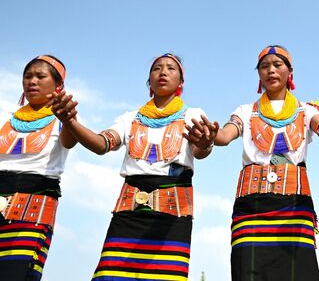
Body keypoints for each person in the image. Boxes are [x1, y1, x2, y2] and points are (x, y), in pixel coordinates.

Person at [50, 53, 216, 281]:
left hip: (173, 212)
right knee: (112, 274)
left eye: (170, 68)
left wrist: (206, 143)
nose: (163, 72)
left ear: (181, 83)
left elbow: (199, 151)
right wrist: (70, 122)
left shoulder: (193, 114)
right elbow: (102, 144)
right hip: (129, 212)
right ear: (149, 81)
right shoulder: (130, 118)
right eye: (157, 68)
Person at [214, 45, 319, 281]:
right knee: (248, 269)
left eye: (277, 65)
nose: (271, 70)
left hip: (293, 202)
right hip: (251, 203)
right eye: (264, 66)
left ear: (290, 71)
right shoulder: (246, 111)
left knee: (298, 271)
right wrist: (210, 134)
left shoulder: (306, 110)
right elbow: (224, 136)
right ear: (259, 74)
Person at [0, 55, 75, 280]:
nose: (32, 81)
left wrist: (69, 120)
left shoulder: (64, 119)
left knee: (17, 271)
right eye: (28, 76)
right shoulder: (7, 115)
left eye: (40, 76)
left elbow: (70, 142)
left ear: (58, 85)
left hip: (34, 203)